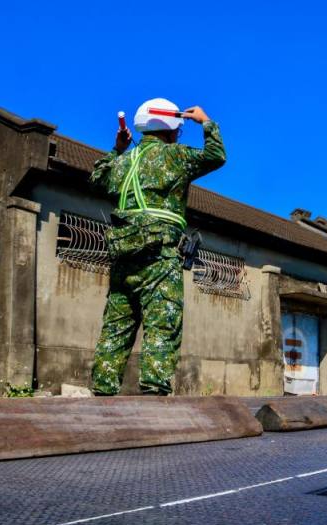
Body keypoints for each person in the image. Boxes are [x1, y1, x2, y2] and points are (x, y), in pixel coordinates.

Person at [88, 98, 226, 395]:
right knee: (162, 324)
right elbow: (216, 156)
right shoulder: (173, 157)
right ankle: (153, 399)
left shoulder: (123, 162)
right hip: (160, 257)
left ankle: (101, 394)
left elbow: (97, 178)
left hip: (123, 256)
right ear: (170, 125)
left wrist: (118, 149)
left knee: (116, 327)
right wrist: (205, 122)